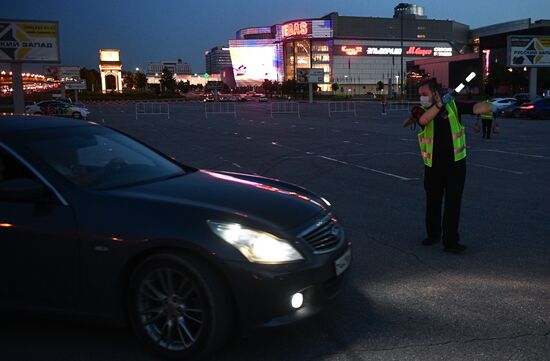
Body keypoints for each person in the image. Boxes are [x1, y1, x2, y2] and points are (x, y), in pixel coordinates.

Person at [404, 78, 493, 253]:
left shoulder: (453, 106)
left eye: (424, 94)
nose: (422, 97)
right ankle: (433, 234)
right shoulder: (420, 109)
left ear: (435, 92)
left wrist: (495, 106)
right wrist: (438, 105)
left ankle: (450, 241)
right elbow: (423, 121)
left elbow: (476, 108)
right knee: (433, 202)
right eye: (420, 95)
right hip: (433, 165)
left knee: (453, 203)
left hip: (456, 164)